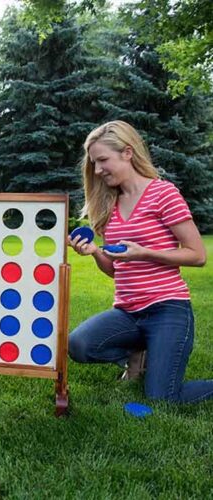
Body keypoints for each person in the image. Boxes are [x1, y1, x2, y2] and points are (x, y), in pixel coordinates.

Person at [68, 120, 212, 404]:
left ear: (127, 153)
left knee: (162, 397)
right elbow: (116, 270)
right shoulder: (109, 205)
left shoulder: (163, 194)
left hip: (168, 309)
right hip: (128, 312)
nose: (97, 170)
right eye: (94, 163)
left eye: (103, 160)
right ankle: (137, 351)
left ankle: (149, 354)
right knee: (79, 345)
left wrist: (145, 253)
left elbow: (197, 255)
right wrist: (96, 252)